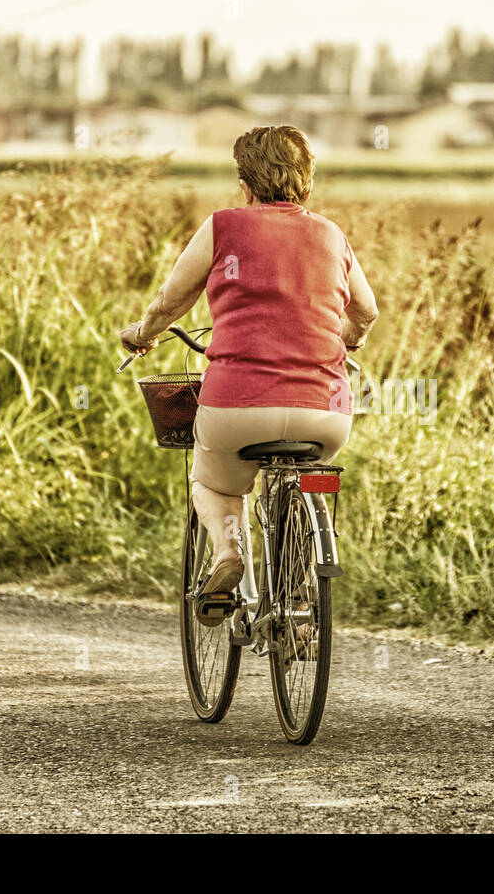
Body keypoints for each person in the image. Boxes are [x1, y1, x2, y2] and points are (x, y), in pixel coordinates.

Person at [121, 125, 378, 614]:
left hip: (236, 408)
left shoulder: (223, 227)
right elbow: (366, 311)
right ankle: (302, 602)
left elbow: (172, 299)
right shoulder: (330, 235)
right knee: (309, 473)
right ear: (307, 184)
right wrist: (349, 340)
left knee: (214, 483)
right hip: (325, 412)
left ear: (244, 183)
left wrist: (143, 332)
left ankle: (229, 552)